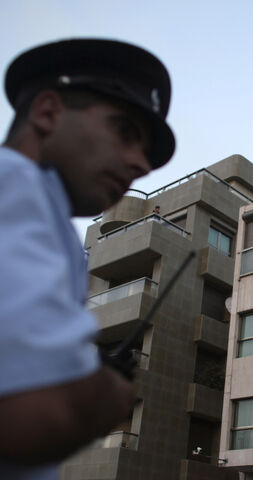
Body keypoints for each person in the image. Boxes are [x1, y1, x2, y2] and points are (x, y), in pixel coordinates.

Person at [0, 38, 176, 479]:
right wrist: (108, 392)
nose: (141, 164)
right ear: (47, 112)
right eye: (126, 131)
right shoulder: (18, 187)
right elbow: (26, 417)